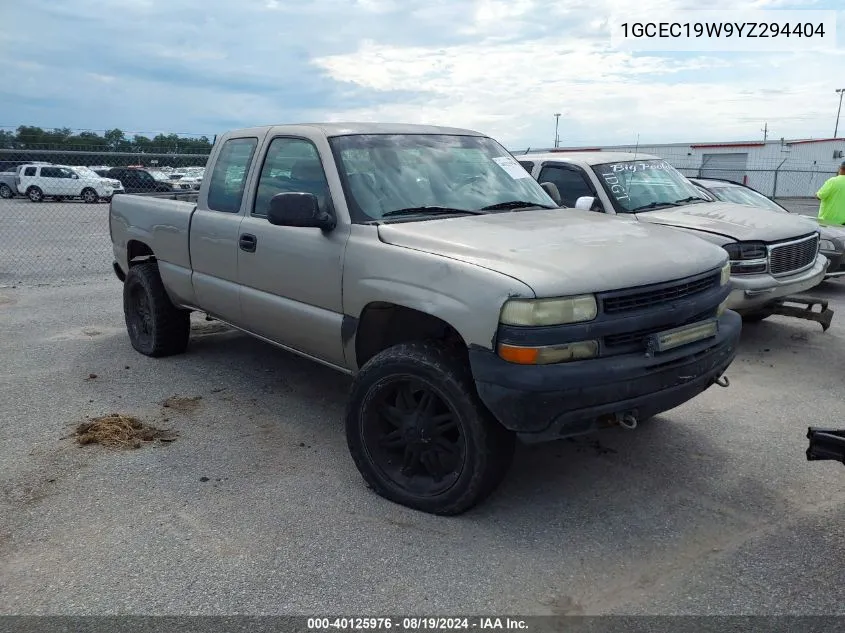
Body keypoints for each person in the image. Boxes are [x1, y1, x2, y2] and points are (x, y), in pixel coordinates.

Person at [816, 160, 845, 225]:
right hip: (843, 223)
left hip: (828, 222)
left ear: (841, 168)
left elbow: (820, 196)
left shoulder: (833, 181)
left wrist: (816, 194)